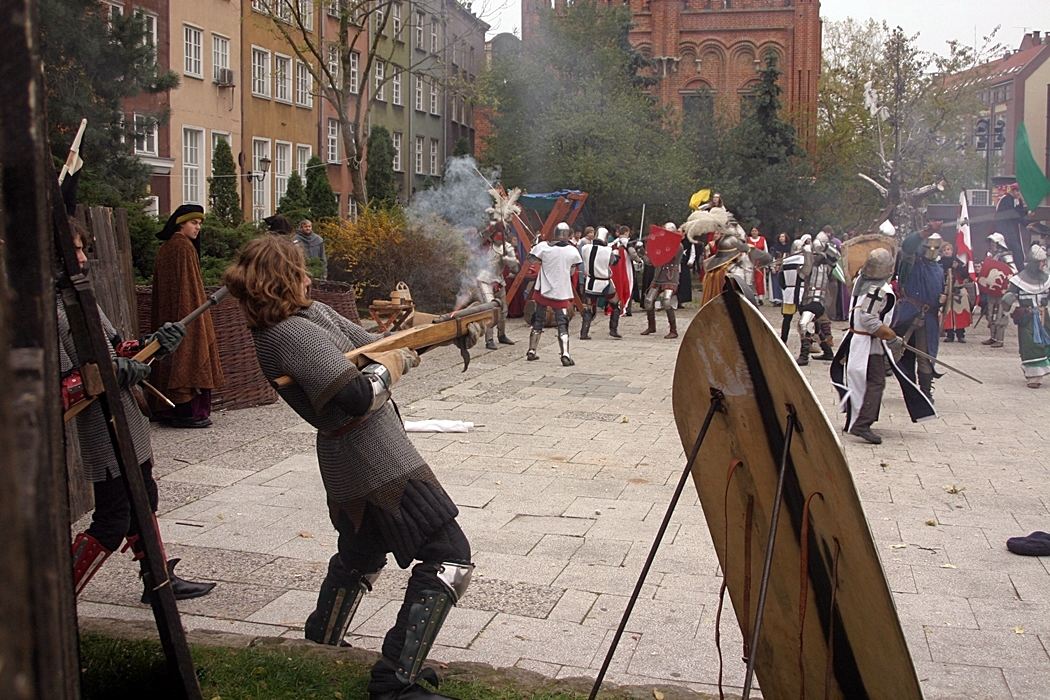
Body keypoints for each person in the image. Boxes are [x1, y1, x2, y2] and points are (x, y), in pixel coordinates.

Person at [225, 236, 480, 700]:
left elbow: (381, 345)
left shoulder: (311, 315)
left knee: (362, 553)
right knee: (449, 555)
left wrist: (447, 331)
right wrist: (394, 364)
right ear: (283, 278)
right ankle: (395, 681)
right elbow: (357, 396)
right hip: (371, 454)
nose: (308, 277)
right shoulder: (288, 333)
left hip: (357, 453)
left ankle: (320, 647)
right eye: (299, 270)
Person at [64, 219, 216, 604]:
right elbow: (54, 385)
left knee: (145, 498)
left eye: (83, 249)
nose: (83, 258)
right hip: (102, 426)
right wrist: (109, 372)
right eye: (75, 249)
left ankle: (159, 582)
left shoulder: (81, 298)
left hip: (126, 418)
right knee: (112, 519)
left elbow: (118, 350)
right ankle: (52, 600)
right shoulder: (44, 311)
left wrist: (154, 344)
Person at [831, 248, 935, 444]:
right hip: (868, 344)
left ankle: (854, 420)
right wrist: (890, 336)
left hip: (860, 341)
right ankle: (862, 423)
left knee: (860, 383)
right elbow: (868, 319)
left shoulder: (860, 280)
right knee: (876, 382)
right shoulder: (877, 290)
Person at [150, 204, 225, 428]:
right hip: (185, 315)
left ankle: (170, 409)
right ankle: (188, 411)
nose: (197, 227)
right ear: (180, 223)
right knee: (189, 354)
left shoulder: (167, 247)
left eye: (200, 223)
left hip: (171, 315)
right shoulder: (182, 247)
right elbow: (188, 290)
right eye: (193, 222)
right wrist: (194, 319)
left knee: (173, 357)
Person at [892, 225, 945, 402]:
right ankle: (873, 383)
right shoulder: (911, 262)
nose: (931, 250)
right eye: (928, 246)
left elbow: (939, 293)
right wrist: (925, 232)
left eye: (935, 247)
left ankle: (925, 393)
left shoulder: (938, 269)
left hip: (929, 318)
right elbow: (907, 246)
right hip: (909, 312)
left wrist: (943, 299)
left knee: (925, 356)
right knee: (893, 351)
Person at [527, 222, 583, 365]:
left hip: (543, 290)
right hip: (560, 292)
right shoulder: (572, 251)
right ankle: (565, 354)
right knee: (562, 323)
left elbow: (530, 259)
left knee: (538, 319)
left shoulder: (544, 247)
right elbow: (572, 271)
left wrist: (535, 246)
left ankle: (532, 350)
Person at [1001, 245, 1050, 388]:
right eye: (1042, 261)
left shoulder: (1046, 279)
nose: (1044, 264)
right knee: (1030, 345)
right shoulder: (1018, 280)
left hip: (1044, 316)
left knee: (1047, 343)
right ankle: (1034, 376)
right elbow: (1007, 299)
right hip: (1028, 318)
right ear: (1035, 262)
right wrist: (1009, 300)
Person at [474, 224, 519, 349]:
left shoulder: (507, 247)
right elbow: (477, 239)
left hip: (499, 279)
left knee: (503, 310)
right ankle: (489, 339)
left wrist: (507, 260)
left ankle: (502, 335)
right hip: (485, 279)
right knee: (491, 309)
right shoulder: (486, 244)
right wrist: (491, 227)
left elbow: (514, 266)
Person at [796, 235, 835, 365]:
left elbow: (837, 256)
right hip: (808, 300)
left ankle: (804, 356)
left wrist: (825, 247)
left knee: (803, 324)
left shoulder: (828, 267)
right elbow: (803, 274)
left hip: (817, 301)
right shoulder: (808, 267)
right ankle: (828, 352)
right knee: (815, 328)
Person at [640, 222, 683, 339]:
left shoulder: (678, 246)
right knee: (648, 300)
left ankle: (673, 330)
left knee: (667, 301)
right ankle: (651, 326)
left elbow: (668, 256)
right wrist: (642, 251)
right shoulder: (660, 244)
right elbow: (650, 261)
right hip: (659, 274)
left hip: (670, 275)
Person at [579, 227, 623, 340]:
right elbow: (614, 262)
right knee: (616, 305)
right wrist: (616, 251)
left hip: (590, 283)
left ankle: (584, 333)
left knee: (589, 308)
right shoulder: (607, 251)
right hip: (604, 283)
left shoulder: (585, 248)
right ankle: (613, 330)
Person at [982, 232, 1019, 348]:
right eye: (991, 242)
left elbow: (1013, 271)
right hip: (992, 288)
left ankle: (999, 339)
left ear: (999, 243)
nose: (991, 244)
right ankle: (993, 337)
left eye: (993, 242)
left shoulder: (1006, 256)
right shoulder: (991, 255)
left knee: (1000, 314)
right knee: (991, 313)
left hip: (1002, 289)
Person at [940, 242, 975, 343]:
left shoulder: (958, 262)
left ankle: (961, 335)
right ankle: (949, 335)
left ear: (952, 250)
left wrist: (958, 267)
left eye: (948, 249)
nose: (946, 252)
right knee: (947, 314)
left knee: (960, 314)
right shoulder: (940, 264)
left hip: (958, 291)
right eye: (944, 250)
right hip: (947, 291)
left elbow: (965, 276)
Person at [994, 183, 1029, 272]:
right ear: (1012, 191)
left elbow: (1019, 212)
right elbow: (1014, 214)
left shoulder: (1014, 200)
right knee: (1016, 248)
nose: (1019, 193)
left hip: (1009, 228)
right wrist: (1025, 223)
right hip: (1004, 228)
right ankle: (1021, 269)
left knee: (1017, 248)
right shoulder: (1007, 199)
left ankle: (1020, 268)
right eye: (1017, 191)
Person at [778, 239, 806, 343]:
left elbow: (780, 279)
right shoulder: (805, 261)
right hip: (802, 291)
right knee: (806, 319)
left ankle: (783, 340)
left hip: (789, 292)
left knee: (787, 319)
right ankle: (808, 342)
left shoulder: (786, 261)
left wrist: (786, 288)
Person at [769, 232, 792, 305]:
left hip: (785, 267)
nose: (781, 238)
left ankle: (785, 299)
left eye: (783, 237)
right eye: (780, 237)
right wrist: (772, 267)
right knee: (776, 283)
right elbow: (772, 258)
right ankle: (777, 300)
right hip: (777, 267)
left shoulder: (789, 248)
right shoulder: (775, 248)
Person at [746, 227, 767, 304]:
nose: (754, 232)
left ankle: (760, 297)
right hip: (750, 262)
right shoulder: (748, 240)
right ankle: (751, 297)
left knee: (759, 280)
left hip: (759, 262)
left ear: (758, 232)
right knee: (750, 280)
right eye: (752, 231)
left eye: (755, 231)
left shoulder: (762, 239)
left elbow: (765, 251)